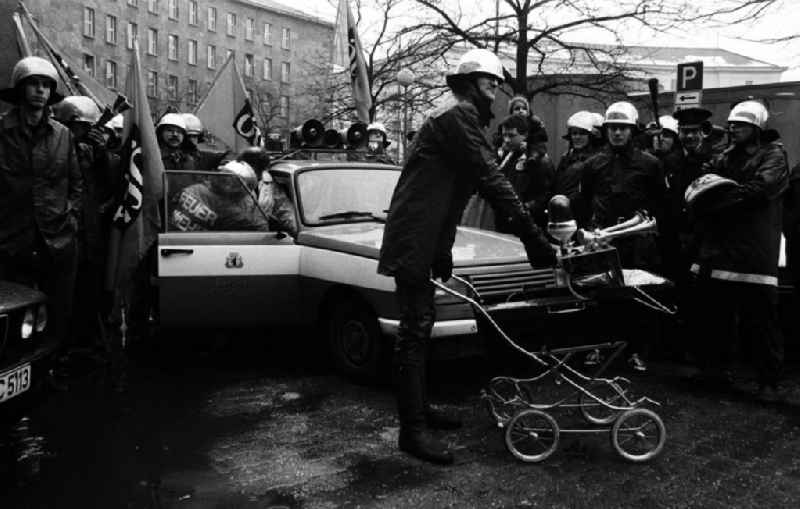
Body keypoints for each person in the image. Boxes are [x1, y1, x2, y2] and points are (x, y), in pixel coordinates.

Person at [378, 48, 556, 465]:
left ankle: (420, 413)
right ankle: (412, 431)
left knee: (421, 327)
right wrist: (532, 236)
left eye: (495, 83)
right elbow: (490, 177)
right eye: (489, 82)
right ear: (469, 83)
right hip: (413, 238)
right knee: (415, 330)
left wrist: (442, 247)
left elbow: (453, 194)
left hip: (423, 236)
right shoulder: (456, 116)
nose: (495, 89)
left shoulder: (461, 117)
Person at [686, 100, 788, 401]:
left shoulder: (774, 155)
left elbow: (759, 190)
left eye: (740, 125)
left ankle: (768, 381)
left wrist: (717, 201)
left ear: (757, 127)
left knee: (760, 320)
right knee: (715, 315)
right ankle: (714, 373)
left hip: (754, 250)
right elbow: (704, 180)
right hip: (720, 249)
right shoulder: (725, 155)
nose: (733, 129)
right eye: (731, 124)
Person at [577, 101, 665, 372]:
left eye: (623, 128)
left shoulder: (651, 164)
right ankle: (598, 347)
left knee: (636, 297)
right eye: (612, 128)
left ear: (632, 131)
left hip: (637, 240)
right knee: (599, 295)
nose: (617, 133)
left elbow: (660, 204)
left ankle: (636, 351)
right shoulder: (592, 164)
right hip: (603, 239)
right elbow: (585, 201)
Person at [0, 56, 82, 347]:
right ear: (21, 89)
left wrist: (69, 218)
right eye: (33, 84)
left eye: (46, 86)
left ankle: (52, 366)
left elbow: (75, 184)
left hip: (57, 239)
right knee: (14, 313)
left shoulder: (63, 135)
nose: (40, 91)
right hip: (12, 241)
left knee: (58, 309)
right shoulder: (3, 131)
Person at [52, 95, 122, 354]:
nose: (86, 132)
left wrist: (102, 153)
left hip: (90, 231)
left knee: (91, 289)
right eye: (80, 126)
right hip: (61, 228)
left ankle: (89, 341)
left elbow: (112, 183)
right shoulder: (55, 148)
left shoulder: (97, 153)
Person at [494, 114, 555, 231]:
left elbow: (545, 196)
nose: (506, 140)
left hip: (527, 226)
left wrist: (522, 210)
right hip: (506, 223)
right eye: (504, 135)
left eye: (511, 135)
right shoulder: (507, 157)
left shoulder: (539, 160)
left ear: (525, 135)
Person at [170, 160, 270, 232]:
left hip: (172, 238)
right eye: (227, 179)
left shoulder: (194, 188)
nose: (229, 183)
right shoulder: (228, 209)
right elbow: (260, 228)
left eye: (234, 181)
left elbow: (172, 204)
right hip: (193, 246)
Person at [553, 111, 601, 224]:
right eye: (574, 133)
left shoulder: (596, 160)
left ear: (591, 136)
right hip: (561, 212)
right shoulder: (566, 157)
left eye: (582, 133)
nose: (577, 137)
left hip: (582, 217)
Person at [236, 146, 297, 235]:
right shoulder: (232, 183)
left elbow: (284, 210)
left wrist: (297, 231)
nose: (260, 175)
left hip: (264, 239)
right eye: (256, 169)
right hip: (237, 238)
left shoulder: (269, 183)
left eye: (261, 169)